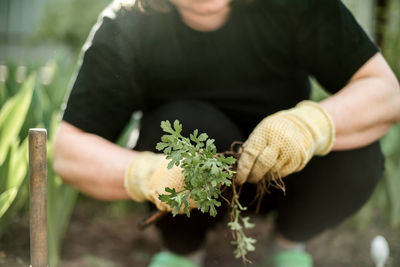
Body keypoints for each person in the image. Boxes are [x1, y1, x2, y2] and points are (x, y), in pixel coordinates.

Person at [53, 0, 400, 266]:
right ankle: (182, 251)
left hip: (282, 174)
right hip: (189, 192)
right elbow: (68, 150)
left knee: (357, 150)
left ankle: (289, 246)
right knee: (185, 126)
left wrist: (310, 126)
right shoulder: (128, 24)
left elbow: (385, 93)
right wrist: (149, 175)